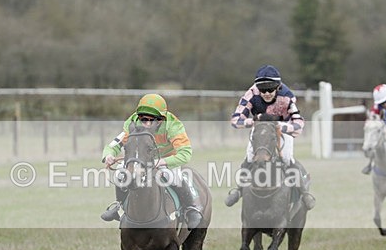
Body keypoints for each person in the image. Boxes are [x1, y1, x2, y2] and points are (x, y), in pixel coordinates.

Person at [100, 93, 204, 229]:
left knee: (175, 177)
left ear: (162, 118)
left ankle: (191, 209)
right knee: (121, 173)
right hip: (141, 159)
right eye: (143, 119)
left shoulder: (173, 126)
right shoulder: (132, 123)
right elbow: (114, 145)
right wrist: (109, 155)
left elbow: (185, 154)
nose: (148, 123)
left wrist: (162, 162)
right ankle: (118, 205)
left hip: (166, 159)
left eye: (153, 120)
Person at [225, 64, 315, 209]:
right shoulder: (251, 94)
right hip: (260, 131)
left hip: (282, 131)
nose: (266, 93)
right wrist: (254, 121)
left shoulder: (287, 96)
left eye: (270, 89)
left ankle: (303, 193)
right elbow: (235, 120)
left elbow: (298, 124)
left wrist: (280, 126)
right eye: (262, 90)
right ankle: (239, 189)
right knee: (249, 158)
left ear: (278, 87)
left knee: (287, 158)